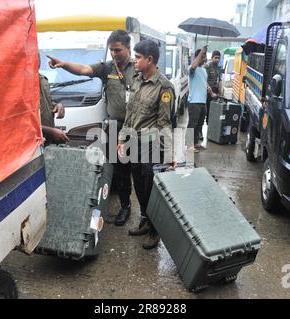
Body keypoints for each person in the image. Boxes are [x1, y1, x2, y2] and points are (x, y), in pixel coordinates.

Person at [47, 30, 135, 226]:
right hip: (114, 126)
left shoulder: (137, 68)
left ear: (128, 48)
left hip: (134, 127)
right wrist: (64, 64)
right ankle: (125, 206)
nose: (114, 54)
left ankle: (143, 212)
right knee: (118, 168)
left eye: (118, 50)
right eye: (111, 50)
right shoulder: (107, 68)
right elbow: (84, 69)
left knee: (135, 168)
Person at [117, 39, 176, 250]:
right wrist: (122, 138)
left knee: (151, 189)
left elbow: (165, 123)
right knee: (139, 188)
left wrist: (168, 157)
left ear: (149, 59)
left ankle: (154, 229)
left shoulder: (164, 87)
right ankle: (144, 219)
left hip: (151, 146)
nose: (135, 60)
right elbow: (130, 113)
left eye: (139, 57)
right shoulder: (136, 80)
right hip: (134, 142)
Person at [187, 47, 208, 153]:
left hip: (202, 102)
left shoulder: (204, 70)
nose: (203, 59)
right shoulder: (191, 69)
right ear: (196, 57)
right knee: (192, 124)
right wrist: (201, 51)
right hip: (194, 102)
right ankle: (189, 146)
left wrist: (210, 90)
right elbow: (194, 66)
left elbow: (204, 82)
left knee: (199, 125)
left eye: (204, 57)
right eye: (201, 57)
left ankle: (195, 143)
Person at [39, 72, 69, 145]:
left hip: (46, 140)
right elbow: (20, 122)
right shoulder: (19, 81)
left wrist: (56, 105)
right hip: (30, 145)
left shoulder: (41, 78)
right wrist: (51, 131)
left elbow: (44, 101)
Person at [204, 50, 222, 124]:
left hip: (215, 90)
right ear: (212, 58)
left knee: (214, 110)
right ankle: (208, 124)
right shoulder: (207, 66)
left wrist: (220, 93)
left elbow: (220, 80)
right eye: (216, 58)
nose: (217, 59)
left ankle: (212, 126)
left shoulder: (218, 67)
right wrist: (210, 92)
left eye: (218, 58)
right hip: (208, 90)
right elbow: (204, 80)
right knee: (208, 109)